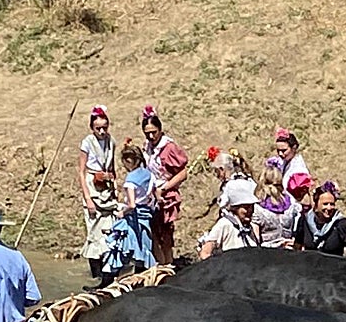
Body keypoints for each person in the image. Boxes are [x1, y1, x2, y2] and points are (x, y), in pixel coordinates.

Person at [141, 105, 188, 265]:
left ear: (160, 130)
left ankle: (168, 264)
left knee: (166, 234)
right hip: (151, 194)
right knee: (153, 232)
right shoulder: (147, 147)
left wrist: (165, 188)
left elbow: (182, 173)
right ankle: (159, 265)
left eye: (154, 132)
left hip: (165, 193)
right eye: (147, 133)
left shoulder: (168, 147)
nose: (151, 136)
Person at [102, 144, 156, 277]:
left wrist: (122, 212)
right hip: (145, 215)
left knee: (122, 249)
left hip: (133, 218)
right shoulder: (148, 174)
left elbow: (132, 205)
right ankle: (143, 278)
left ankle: (111, 281)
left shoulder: (131, 179)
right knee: (143, 248)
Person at [77, 105, 116, 282]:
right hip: (92, 187)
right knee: (94, 231)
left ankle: (108, 272)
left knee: (108, 230)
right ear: (91, 127)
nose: (101, 131)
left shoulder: (111, 142)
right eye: (98, 128)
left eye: (104, 128)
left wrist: (114, 186)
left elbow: (113, 167)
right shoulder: (87, 143)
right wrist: (88, 198)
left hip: (107, 188)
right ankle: (96, 274)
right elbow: (81, 171)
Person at [198, 180, 260, 258]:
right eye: (246, 208)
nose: (250, 211)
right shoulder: (225, 224)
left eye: (252, 206)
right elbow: (205, 252)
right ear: (236, 208)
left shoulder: (249, 227)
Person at [293, 185, 346, 256]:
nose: (329, 208)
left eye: (332, 204)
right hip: (310, 262)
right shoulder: (305, 221)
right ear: (316, 204)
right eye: (325, 204)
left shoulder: (341, 224)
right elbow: (297, 246)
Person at [253, 157, 300, 247]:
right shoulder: (291, 205)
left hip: (266, 252)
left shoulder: (257, 208)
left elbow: (256, 239)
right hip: (288, 249)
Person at [274, 127, 310, 193]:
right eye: (278, 150)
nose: (280, 154)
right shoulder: (283, 162)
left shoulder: (299, 170)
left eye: (284, 150)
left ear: (294, 148)